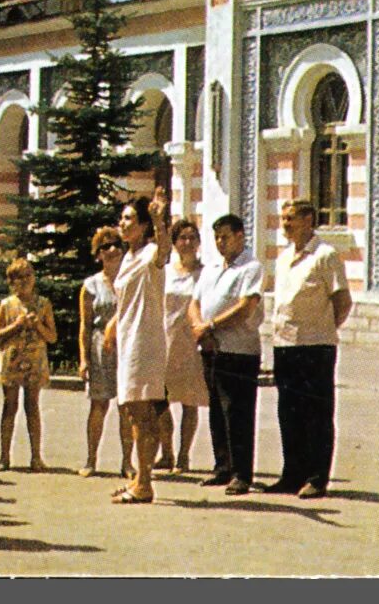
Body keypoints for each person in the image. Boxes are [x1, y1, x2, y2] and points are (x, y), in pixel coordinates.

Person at [264, 198, 352, 499]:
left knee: (316, 414)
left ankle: (316, 477)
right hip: (285, 344)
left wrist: (324, 329)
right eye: (283, 218)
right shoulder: (284, 256)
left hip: (315, 347)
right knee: (289, 413)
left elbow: (342, 301)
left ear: (308, 220)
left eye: (290, 219)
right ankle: (292, 475)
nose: (285, 224)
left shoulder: (325, 255)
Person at [188, 213, 264, 495]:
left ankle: (241, 473)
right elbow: (194, 302)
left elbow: (246, 306)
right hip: (210, 348)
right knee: (218, 412)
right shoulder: (211, 269)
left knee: (238, 413)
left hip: (239, 350)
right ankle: (222, 468)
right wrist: (199, 328)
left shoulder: (250, 267)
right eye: (217, 237)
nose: (221, 242)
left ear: (240, 236)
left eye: (226, 236)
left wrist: (210, 325)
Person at [107, 194, 172, 504]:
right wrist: (112, 324)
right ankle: (140, 477)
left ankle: (144, 482)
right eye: (122, 218)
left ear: (144, 226)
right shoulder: (129, 256)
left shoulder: (149, 253)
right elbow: (127, 299)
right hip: (128, 339)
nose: (123, 223)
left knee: (140, 414)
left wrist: (160, 221)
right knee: (135, 412)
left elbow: (164, 251)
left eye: (130, 218)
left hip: (144, 342)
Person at [0, 256, 56, 471]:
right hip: (12, 359)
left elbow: (52, 336)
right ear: (12, 282)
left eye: (29, 276)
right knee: (10, 406)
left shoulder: (43, 304)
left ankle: (36, 457)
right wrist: (16, 325)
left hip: (35, 360)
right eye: (20, 278)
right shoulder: (7, 305)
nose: (25, 281)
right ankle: (4, 456)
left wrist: (38, 326)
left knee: (32, 406)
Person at [155, 218, 208, 473]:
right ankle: (167, 452)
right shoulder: (165, 271)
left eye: (192, 238)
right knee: (160, 401)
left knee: (190, 402)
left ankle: (184, 455)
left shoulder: (206, 273)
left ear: (198, 242)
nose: (187, 243)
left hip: (191, 346)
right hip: (165, 342)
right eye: (182, 238)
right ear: (174, 243)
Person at [77, 229, 129, 478]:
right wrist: (84, 358)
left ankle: (128, 463)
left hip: (126, 345)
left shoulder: (129, 279)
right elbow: (85, 325)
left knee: (127, 407)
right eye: (106, 247)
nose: (113, 250)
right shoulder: (90, 285)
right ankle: (91, 460)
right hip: (100, 347)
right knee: (98, 405)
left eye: (117, 245)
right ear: (98, 255)